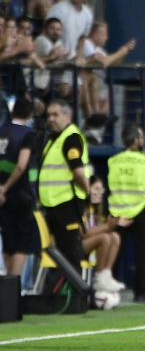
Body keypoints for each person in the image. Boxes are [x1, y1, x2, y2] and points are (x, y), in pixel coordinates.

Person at [38, 100, 92, 273]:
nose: (51, 119)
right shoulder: (56, 139)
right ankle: (63, 295)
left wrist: (87, 191)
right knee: (61, 253)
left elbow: (78, 172)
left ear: (68, 116)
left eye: (56, 115)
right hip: (54, 205)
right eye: (48, 115)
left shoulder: (70, 138)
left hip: (66, 205)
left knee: (70, 253)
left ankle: (77, 298)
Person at [108, 124, 145, 303]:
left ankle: (108, 290)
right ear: (136, 140)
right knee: (142, 254)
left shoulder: (113, 161)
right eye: (141, 137)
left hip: (117, 212)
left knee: (113, 253)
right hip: (140, 211)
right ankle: (141, 293)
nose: (143, 140)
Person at [0, 98, 39, 277]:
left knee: (8, 244)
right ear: (30, 114)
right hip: (20, 196)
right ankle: (13, 290)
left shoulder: (2, 131)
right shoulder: (27, 135)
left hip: (3, 199)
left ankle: (7, 291)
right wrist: (6, 188)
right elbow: (22, 165)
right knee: (21, 245)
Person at [82, 176, 126, 293]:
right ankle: (99, 277)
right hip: (75, 245)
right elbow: (83, 234)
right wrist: (107, 226)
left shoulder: (96, 210)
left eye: (101, 190)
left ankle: (106, 275)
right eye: (96, 189)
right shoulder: (80, 207)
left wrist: (112, 224)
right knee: (104, 237)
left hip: (87, 244)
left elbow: (100, 229)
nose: (99, 193)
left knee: (115, 237)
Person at [45, 0, 92, 64]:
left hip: (71, 59)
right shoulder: (59, 9)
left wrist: (79, 57)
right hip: (54, 58)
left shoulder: (88, 14)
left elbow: (83, 38)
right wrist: (55, 53)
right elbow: (47, 32)